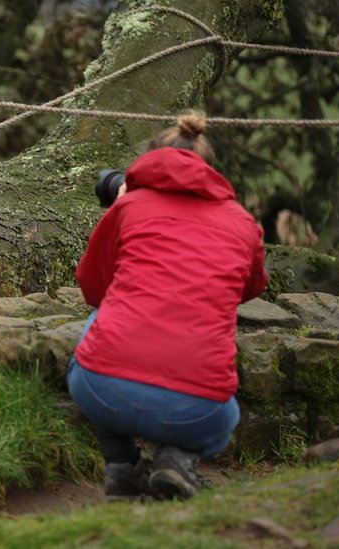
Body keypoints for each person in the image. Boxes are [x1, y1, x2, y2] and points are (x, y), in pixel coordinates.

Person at [68, 110, 268, 500]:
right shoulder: (243, 223)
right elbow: (250, 286)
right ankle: (176, 460)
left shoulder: (127, 208)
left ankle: (121, 467)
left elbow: (93, 287)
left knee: (102, 318)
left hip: (100, 389)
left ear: (144, 164)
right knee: (228, 418)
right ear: (208, 170)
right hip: (199, 412)